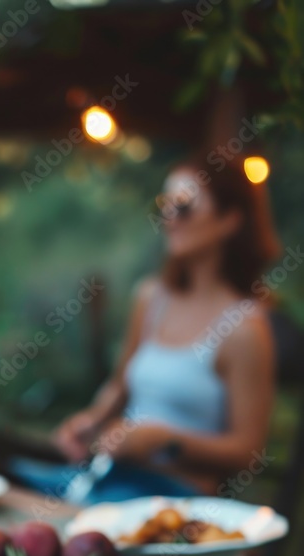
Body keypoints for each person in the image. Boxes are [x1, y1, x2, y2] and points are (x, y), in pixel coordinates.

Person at [49, 158, 281, 502]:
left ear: (230, 221)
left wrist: (160, 440)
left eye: (184, 206)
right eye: (165, 205)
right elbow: (121, 385)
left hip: (176, 497)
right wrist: (92, 420)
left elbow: (248, 451)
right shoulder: (151, 298)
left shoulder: (245, 329)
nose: (170, 217)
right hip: (113, 477)